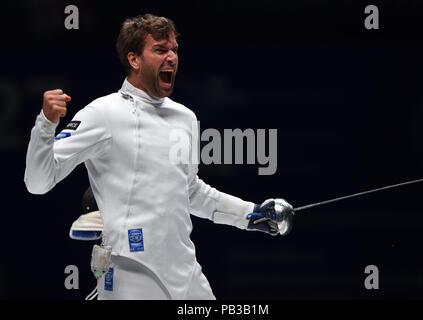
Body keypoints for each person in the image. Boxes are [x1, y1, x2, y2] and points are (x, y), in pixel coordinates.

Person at [24, 13, 294, 300]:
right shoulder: (103, 113)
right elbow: (38, 182)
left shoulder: (184, 117)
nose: (172, 57)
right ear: (134, 60)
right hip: (130, 269)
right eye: (160, 50)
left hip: (184, 269)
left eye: (174, 50)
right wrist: (45, 124)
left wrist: (250, 213)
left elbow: (190, 190)